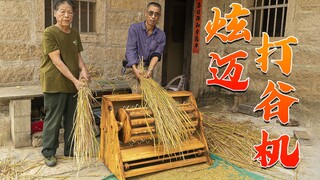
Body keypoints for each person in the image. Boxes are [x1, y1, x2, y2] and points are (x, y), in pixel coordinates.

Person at [40, 0, 90, 167]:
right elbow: (57, 61)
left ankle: (70, 149)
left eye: (69, 12)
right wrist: (76, 80)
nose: (66, 15)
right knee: (53, 119)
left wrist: (84, 70)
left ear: (73, 15)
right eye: (62, 11)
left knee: (72, 119)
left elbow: (77, 56)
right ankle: (49, 153)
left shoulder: (74, 34)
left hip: (73, 83)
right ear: (55, 13)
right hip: (55, 82)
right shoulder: (50, 33)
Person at [125, 2, 166, 92]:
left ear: (159, 16)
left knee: (150, 93)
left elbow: (157, 54)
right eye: (151, 13)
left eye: (156, 14)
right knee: (136, 93)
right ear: (145, 13)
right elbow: (131, 50)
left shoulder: (161, 35)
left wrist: (150, 70)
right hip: (132, 68)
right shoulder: (134, 29)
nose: (153, 17)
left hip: (148, 69)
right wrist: (135, 69)